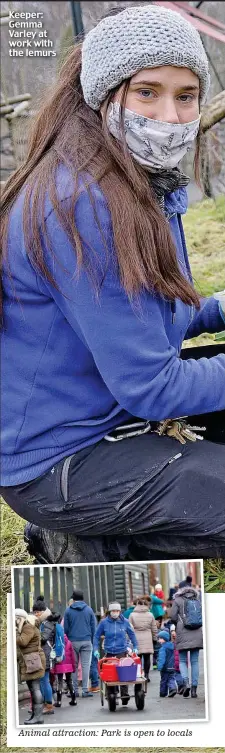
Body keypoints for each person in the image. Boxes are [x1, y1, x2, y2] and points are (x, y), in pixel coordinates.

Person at [1, 3, 225, 566]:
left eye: (186, 95)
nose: (170, 115)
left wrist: (218, 308)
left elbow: (147, 320)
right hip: (56, 459)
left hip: (105, 405)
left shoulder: (135, 178)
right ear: (103, 95)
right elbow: (153, 386)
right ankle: (89, 539)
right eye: (146, 91)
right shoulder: (83, 203)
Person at [93, 601, 138, 704]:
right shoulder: (104, 623)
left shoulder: (125, 622)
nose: (115, 612)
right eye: (113, 611)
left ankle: (124, 694)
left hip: (121, 651)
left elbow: (132, 635)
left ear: (120, 611)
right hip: (109, 652)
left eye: (117, 611)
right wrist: (95, 649)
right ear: (109, 611)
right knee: (111, 676)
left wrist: (135, 647)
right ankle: (112, 694)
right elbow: (96, 636)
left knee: (123, 674)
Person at [169, 583, 203, 697]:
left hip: (182, 632)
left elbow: (173, 617)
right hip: (197, 632)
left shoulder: (177, 600)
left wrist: (177, 624)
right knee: (194, 662)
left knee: (183, 661)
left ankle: (186, 683)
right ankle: (194, 689)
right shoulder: (197, 599)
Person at [63, 590, 96, 698]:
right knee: (86, 666)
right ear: (83, 598)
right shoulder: (89, 610)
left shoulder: (68, 611)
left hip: (73, 642)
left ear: (73, 599)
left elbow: (66, 628)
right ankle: (85, 690)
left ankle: (75, 691)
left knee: (74, 666)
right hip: (86, 640)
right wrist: (90, 639)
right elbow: (93, 627)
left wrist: (69, 639)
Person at [15, 608, 45, 725]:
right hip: (31, 660)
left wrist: (16, 631)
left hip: (33, 661)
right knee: (33, 689)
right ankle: (35, 715)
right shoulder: (27, 626)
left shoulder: (27, 626)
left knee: (35, 688)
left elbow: (22, 641)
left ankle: (38, 716)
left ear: (19, 618)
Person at [32, 596, 60, 714]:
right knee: (44, 680)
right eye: (34, 612)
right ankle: (46, 703)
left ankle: (49, 705)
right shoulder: (43, 621)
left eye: (38, 612)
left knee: (45, 681)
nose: (36, 614)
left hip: (46, 654)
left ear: (43, 612)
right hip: (43, 653)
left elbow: (43, 638)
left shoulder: (47, 623)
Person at [129, 597, 158, 682]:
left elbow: (129, 628)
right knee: (147, 657)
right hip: (148, 637)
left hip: (136, 638)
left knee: (138, 657)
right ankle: (147, 675)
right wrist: (154, 638)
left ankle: (139, 674)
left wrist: (129, 640)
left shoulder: (132, 615)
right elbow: (154, 628)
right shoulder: (150, 615)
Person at [50, 626, 77, 708]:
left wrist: (53, 668)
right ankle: (74, 699)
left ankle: (59, 701)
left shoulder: (56, 643)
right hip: (69, 665)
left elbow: (54, 657)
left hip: (59, 665)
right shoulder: (69, 642)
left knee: (59, 682)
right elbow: (72, 656)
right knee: (69, 681)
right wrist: (74, 666)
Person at [157, 630, 177, 698]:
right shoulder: (172, 646)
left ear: (164, 639)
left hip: (165, 668)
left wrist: (160, 667)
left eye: (160, 638)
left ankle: (163, 693)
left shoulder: (163, 648)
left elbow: (161, 659)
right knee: (171, 678)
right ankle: (172, 688)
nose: (159, 640)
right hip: (172, 666)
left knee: (164, 680)